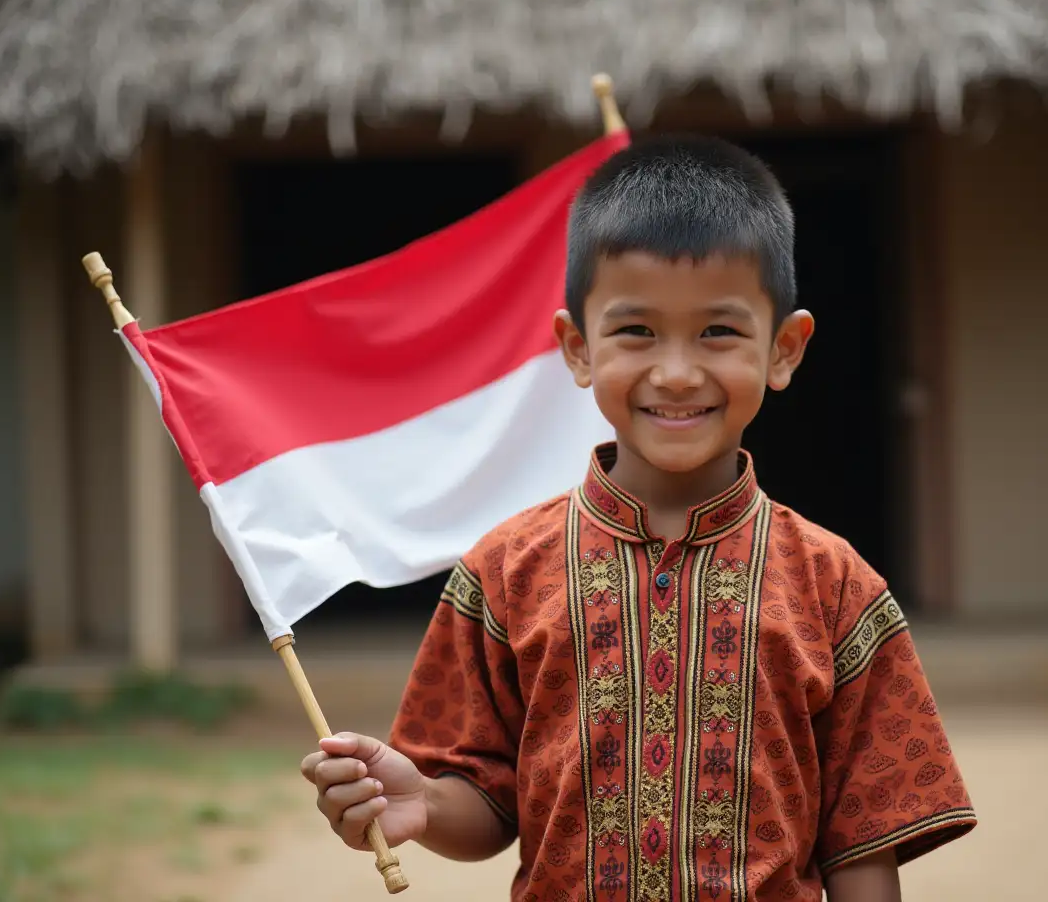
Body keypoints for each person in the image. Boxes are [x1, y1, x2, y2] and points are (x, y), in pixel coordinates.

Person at [300, 134, 976, 901]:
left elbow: (863, 842)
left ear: (784, 349)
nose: (678, 372)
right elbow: (486, 805)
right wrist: (420, 799)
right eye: (636, 332)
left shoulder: (835, 586)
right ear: (578, 348)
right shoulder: (503, 573)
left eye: (719, 331)